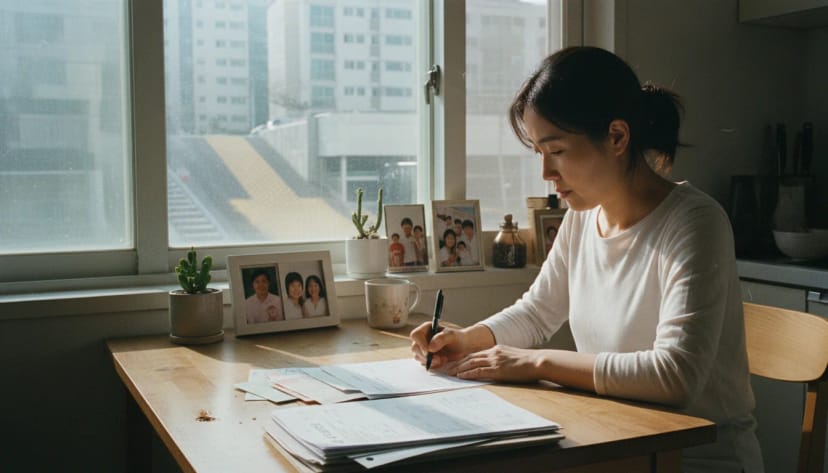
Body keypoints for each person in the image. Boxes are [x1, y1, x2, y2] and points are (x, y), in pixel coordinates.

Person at [410, 46, 762, 473]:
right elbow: (538, 314)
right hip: (617, 443)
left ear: (617, 137)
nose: (546, 173)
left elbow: (676, 377)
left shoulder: (695, 223)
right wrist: (469, 339)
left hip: (696, 460)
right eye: (538, 152)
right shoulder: (582, 217)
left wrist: (535, 362)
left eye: (556, 150)